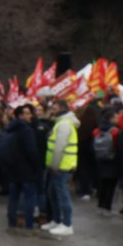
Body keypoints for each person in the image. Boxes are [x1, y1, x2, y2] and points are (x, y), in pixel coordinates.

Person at [43, 99, 80, 236]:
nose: (52, 109)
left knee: (62, 195)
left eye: (55, 107)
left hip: (62, 166)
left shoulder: (64, 124)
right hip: (60, 165)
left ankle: (67, 224)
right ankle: (57, 220)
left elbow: (59, 147)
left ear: (62, 108)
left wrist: (55, 165)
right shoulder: (60, 123)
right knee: (53, 193)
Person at [1, 104, 40, 232]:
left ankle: (11, 224)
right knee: (30, 197)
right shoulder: (26, 130)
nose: (30, 116)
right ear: (21, 116)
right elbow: (31, 151)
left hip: (12, 168)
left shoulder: (9, 129)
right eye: (27, 114)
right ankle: (29, 226)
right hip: (26, 169)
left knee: (13, 198)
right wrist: (37, 166)